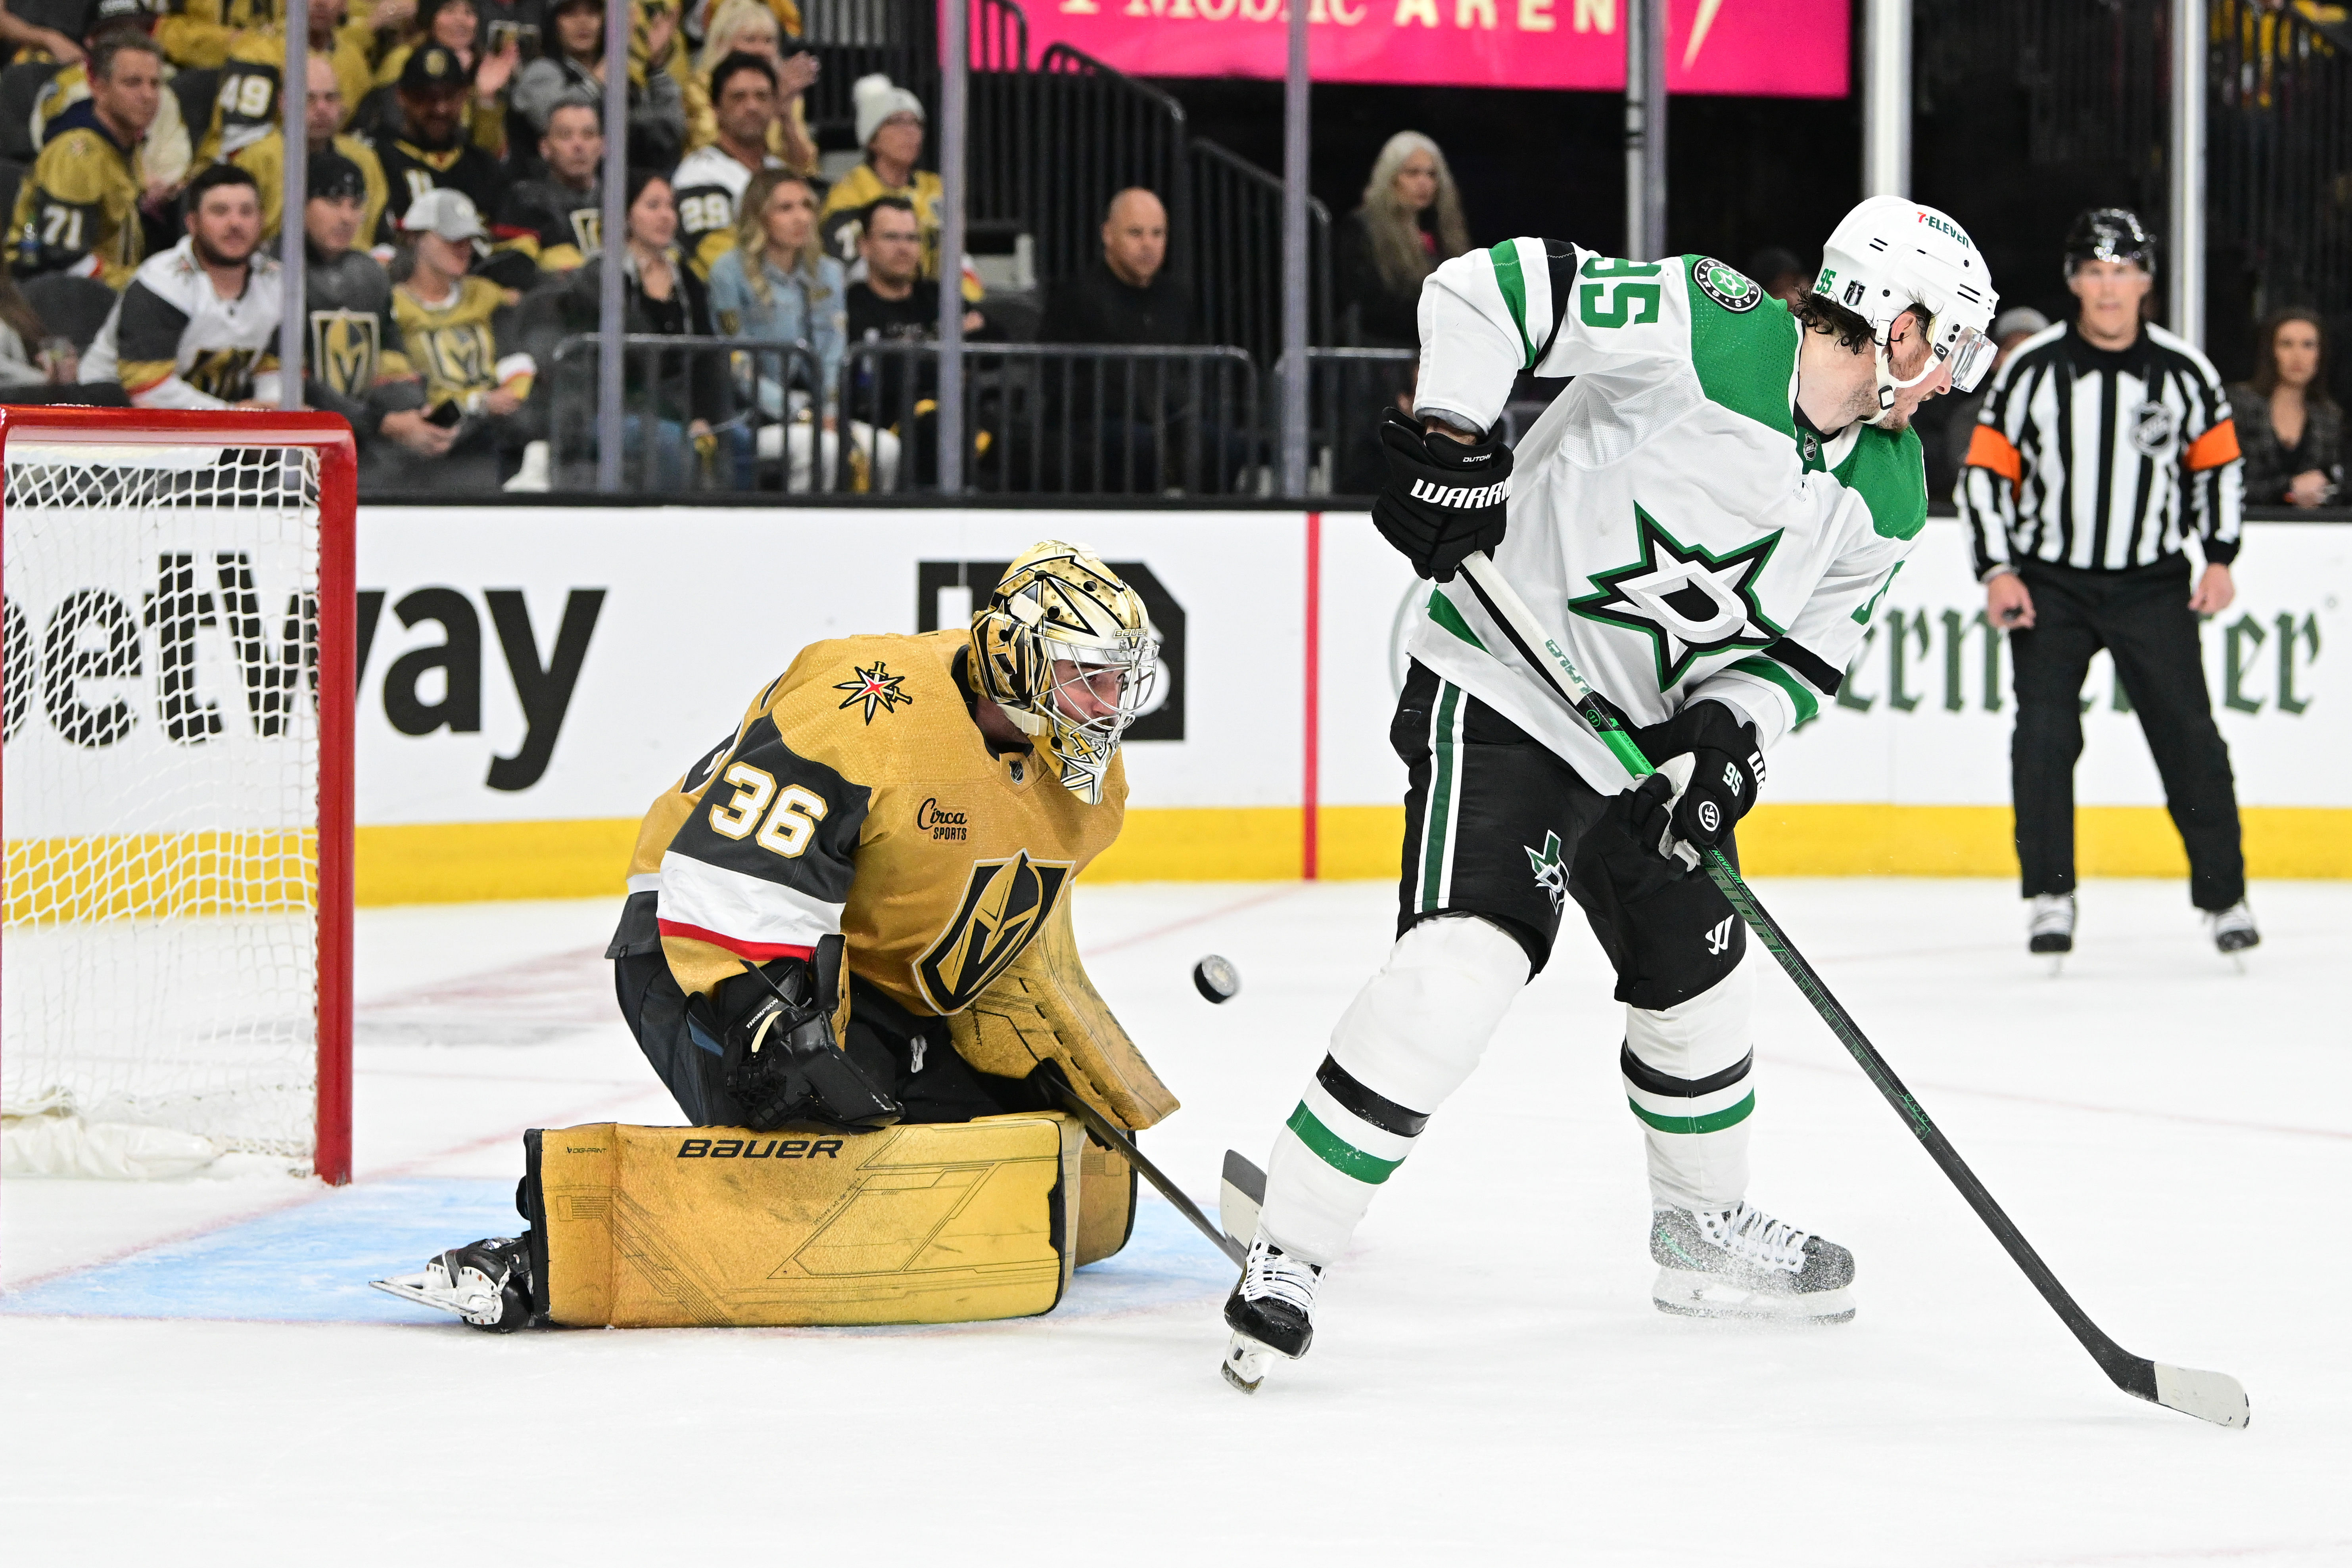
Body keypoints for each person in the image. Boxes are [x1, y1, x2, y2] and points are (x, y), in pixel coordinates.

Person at [1220, 200, 2002, 1392]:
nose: (1952, 373)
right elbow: (1482, 292)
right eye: (1946, 341)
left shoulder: (1889, 488)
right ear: (1896, 327)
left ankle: (1696, 1231)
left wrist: (1724, 743)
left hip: (1642, 756)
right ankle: (1289, 1248)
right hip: (1507, 694)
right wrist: (1451, 437)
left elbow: (1801, 658)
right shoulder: (1707, 321)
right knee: (1459, 974)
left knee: (1696, 975)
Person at [373, 544, 1178, 1332]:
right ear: (1018, 661)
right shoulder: (870, 705)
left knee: (993, 1142)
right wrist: (767, 1022)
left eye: (1119, 676)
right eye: (1087, 676)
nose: (1110, 700)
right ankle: (549, 1250)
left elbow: (998, 924)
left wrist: (1026, 1040)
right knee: (823, 1143)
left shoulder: (1086, 780)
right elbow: (729, 874)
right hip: (699, 945)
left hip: (854, 979)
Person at [1956, 207, 2256, 959]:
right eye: (2095, 271)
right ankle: (2050, 895)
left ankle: (2225, 898)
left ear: (2147, 280)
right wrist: (1997, 569)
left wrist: (2220, 555)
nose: (2109, 288)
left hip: (2152, 582)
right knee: (2045, 738)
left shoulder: (2185, 371)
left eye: (2123, 271)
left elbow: (2217, 469)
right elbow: (1988, 474)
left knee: (2190, 738)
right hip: (2051, 582)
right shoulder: (2031, 369)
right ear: (2073, 281)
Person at [706, 169, 892, 491]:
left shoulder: (829, 273)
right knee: (826, 451)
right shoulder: (729, 272)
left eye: (807, 206)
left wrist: (829, 410)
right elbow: (737, 363)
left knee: (887, 450)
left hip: (817, 410)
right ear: (759, 215)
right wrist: (800, 413)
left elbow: (833, 352)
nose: (802, 217)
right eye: (786, 208)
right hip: (751, 415)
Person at [556, 169, 737, 487]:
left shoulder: (689, 279)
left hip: (681, 407)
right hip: (620, 407)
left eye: (670, 206)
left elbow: (708, 356)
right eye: (653, 206)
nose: (666, 216)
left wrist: (706, 416)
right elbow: (612, 368)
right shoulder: (600, 279)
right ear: (624, 215)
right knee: (668, 442)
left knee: (738, 438)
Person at [81, 163, 282, 406]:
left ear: (261, 220)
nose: (235, 224)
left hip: (220, 422)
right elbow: (148, 391)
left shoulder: (279, 283)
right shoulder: (161, 283)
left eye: (246, 212)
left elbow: (274, 370)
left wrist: (272, 416)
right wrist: (236, 419)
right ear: (193, 223)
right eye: (220, 211)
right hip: (114, 415)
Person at [299, 150, 446, 483]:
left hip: (363, 434)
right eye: (334, 203)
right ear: (301, 204)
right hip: (301, 447)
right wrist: (383, 423)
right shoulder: (276, 273)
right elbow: (291, 383)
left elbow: (392, 356)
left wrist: (415, 410)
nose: (347, 217)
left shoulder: (370, 274)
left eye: (356, 205)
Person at [390, 188, 538, 488]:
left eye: (469, 239)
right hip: (432, 438)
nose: (464, 248)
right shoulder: (394, 306)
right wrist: (477, 403)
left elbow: (518, 357)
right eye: (452, 238)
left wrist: (513, 392)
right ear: (415, 238)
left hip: (494, 433)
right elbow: (403, 395)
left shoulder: (485, 294)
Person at [841, 195, 990, 487]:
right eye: (891, 237)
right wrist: (945, 359)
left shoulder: (937, 296)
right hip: (890, 421)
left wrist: (919, 358)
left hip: (961, 413)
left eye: (912, 238)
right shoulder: (851, 305)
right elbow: (878, 379)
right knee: (936, 428)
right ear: (864, 246)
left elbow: (994, 340)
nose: (903, 248)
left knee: (1024, 438)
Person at [6, 29, 160, 287]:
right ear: (98, 86)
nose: (148, 96)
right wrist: (141, 287)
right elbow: (63, 260)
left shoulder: (123, 146)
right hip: (52, 304)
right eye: (133, 83)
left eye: (155, 84)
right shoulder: (78, 154)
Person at [231, 50, 392, 251]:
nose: (322, 108)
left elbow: (380, 235)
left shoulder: (364, 158)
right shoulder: (257, 159)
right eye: (309, 99)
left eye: (331, 98)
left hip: (353, 271)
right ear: (284, 102)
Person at [819, 73, 956, 290]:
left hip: (931, 302)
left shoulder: (936, 188)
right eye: (897, 123)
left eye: (916, 123)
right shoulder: (849, 193)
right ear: (872, 138)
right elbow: (848, 266)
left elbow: (957, 257)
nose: (910, 132)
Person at [1334, 130, 1469, 350]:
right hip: (1383, 350)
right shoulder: (1363, 227)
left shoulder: (1445, 230)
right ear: (1391, 177)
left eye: (1431, 175)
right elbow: (1371, 303)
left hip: (1438, 348)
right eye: (1413, 173)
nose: (1424, 183)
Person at [512, 0, 685, 166]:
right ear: (554, 23)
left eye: (592, 13)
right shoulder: (540, 73)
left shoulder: (622, 80)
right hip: (552, 191)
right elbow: (560, 121)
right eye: (570, 14)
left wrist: (656, 69)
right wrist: (613, 58)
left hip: (624, 185)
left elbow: (667, 132)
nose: (583, 22)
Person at [670, 50, 783, 278]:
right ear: (716, 109)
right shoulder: (699, 175)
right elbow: (719, 262)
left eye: (762, 97)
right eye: (739, 97)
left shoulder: (781, 170)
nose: (752, 106)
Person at [376, 43, 510, 230]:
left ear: (465, 95)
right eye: (426, 97)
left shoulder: (483, 166)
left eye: (450, 96)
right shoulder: (378, 159)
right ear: (402, 97)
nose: (441, 109)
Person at [1922, 305, 2048, 498]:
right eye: (2012, 349)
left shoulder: (2072, 412)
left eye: (2033, 350)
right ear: (1995, 359)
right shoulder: (1971, 416)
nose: (2023, 359)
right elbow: (1966, 479)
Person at [683, 0, 816, 173]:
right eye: (750, 40)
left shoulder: (785, 91)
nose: (761, 50)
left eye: (769, 41)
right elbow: (706, 144)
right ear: (722, 43)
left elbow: (807, 168)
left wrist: (785, 115)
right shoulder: (701, 86)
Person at [2228, 307, 2340, 507]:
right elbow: (2228, 483)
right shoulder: (2239, 405)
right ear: (2271, 352)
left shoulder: (2329, 417)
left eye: (2308, 345)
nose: (2298, 356)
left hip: (2312, 531)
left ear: (2320, 355)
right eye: (2287, 344)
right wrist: (2288, 489)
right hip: (2250, 523)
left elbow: (2336, 484)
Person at [487, 98, 603, 286]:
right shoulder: (523, 201)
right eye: (566, 136)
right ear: (545, 148)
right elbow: (512, 276)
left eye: (588, 135)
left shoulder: (629, 199)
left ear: (602, 145)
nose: (579, 146)